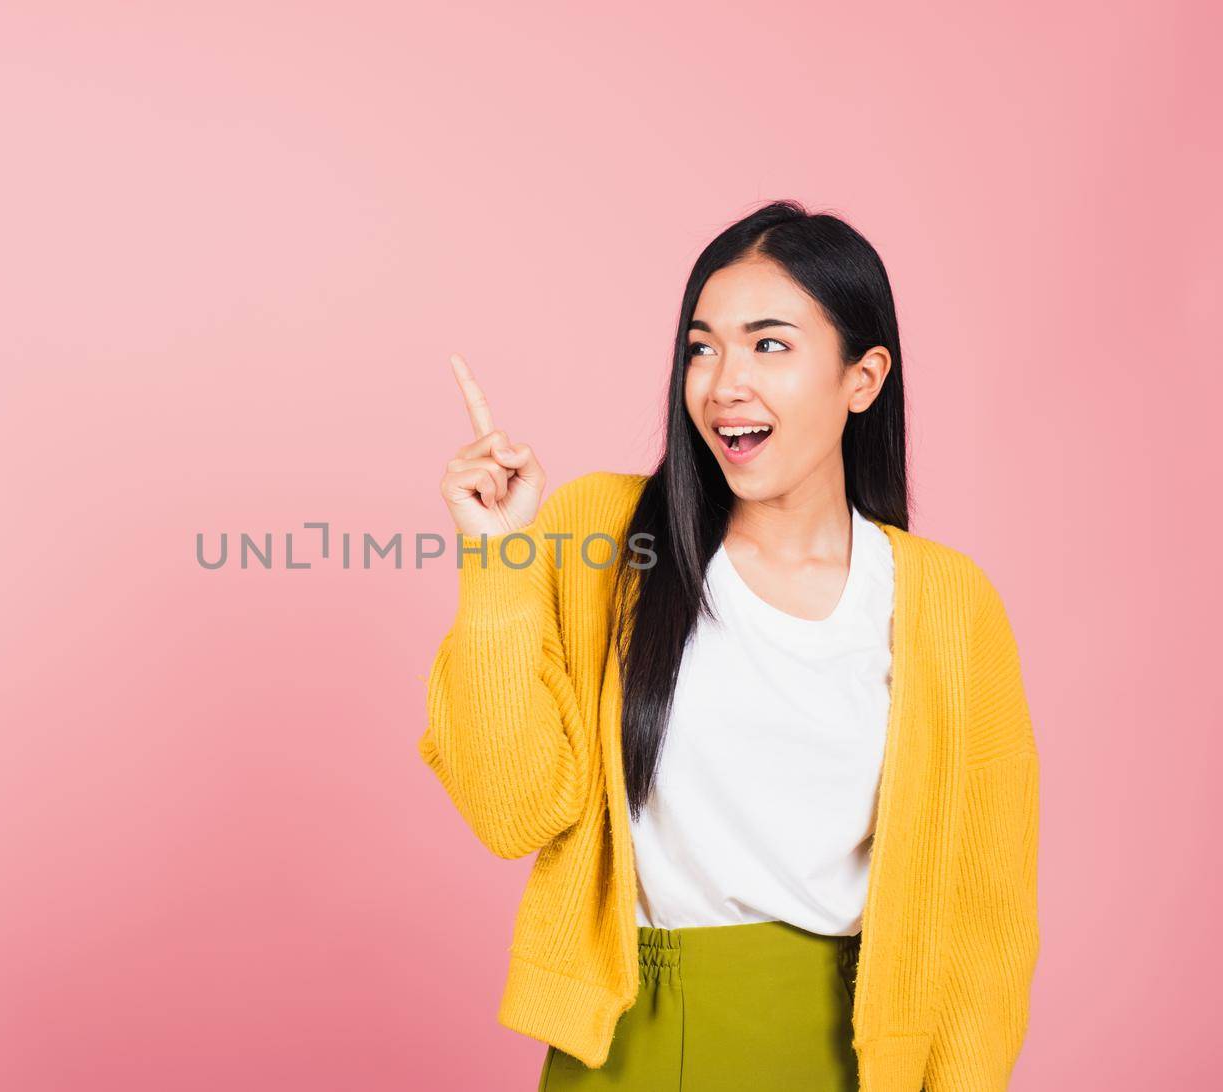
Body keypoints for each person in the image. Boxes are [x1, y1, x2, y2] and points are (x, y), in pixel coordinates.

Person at [419, 200, 1040, 1091]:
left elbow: (986, 913)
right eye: (701, 347)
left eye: (769, 345)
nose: (723, 382)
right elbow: (511, 808)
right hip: (628, 1040)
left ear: (862, 378)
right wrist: (499, 563)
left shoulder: (945, 601)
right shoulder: (607, 538)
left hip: (850, 1050)